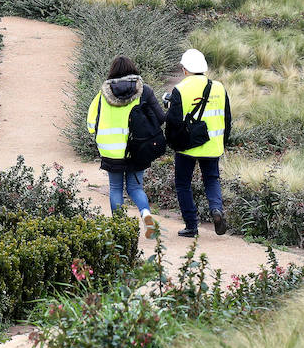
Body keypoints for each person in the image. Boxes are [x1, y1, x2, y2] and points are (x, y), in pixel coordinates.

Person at [86, 55, 166, 238]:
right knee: (136, 188)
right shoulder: (144, 91)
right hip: (137, 150)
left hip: (110, 150)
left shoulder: (101, 96)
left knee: (115, 189)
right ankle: (146, 214)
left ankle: (120, 228)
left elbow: (91, 125)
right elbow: (161, 119)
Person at [164, 48, 232, 237]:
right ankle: (216, 209)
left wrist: (172, 144)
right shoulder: (219, 87)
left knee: (183, 184)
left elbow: (173, 122)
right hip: (213, 146)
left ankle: (192, 226)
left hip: (187, 147)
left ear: (184, 69)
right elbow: (227, 119)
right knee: (211, 180)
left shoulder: (180, 89)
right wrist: (222, 144)